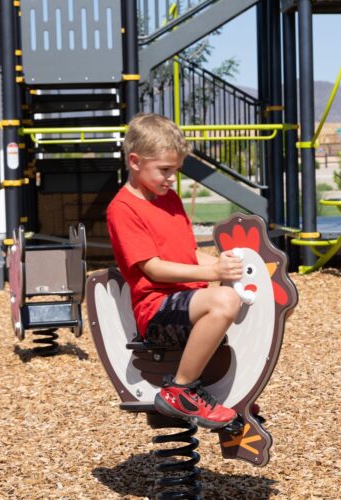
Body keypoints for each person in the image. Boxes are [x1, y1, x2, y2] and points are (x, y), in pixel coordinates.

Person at [106, 113, 243, 429]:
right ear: (136, 161)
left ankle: (232, 387)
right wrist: (214, 274)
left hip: (185, 299)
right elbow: (153, 269)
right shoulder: (123, 209)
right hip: (157, 311)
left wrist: (231, 266)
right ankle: (180, 390)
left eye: (176, 171)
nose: (171, 179)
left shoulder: (170, 200)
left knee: (251, 292)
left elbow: (190, 255)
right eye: (164, 170)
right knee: (224, 301)